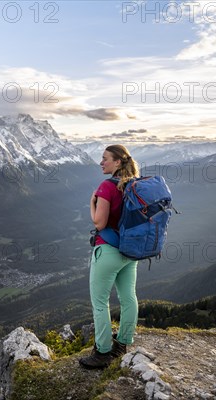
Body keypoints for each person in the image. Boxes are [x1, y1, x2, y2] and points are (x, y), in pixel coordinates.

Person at [79, 144, 140, 369]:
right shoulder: (134, 184)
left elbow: (99, 222)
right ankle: (123, 343)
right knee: (128, 297)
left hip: (108, 251)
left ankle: (102, 352)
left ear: (117, 162)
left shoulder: (107, 186)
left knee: (100, 302)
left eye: (105, 158)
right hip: (130, 251)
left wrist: (91, 204)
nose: (101, 162)